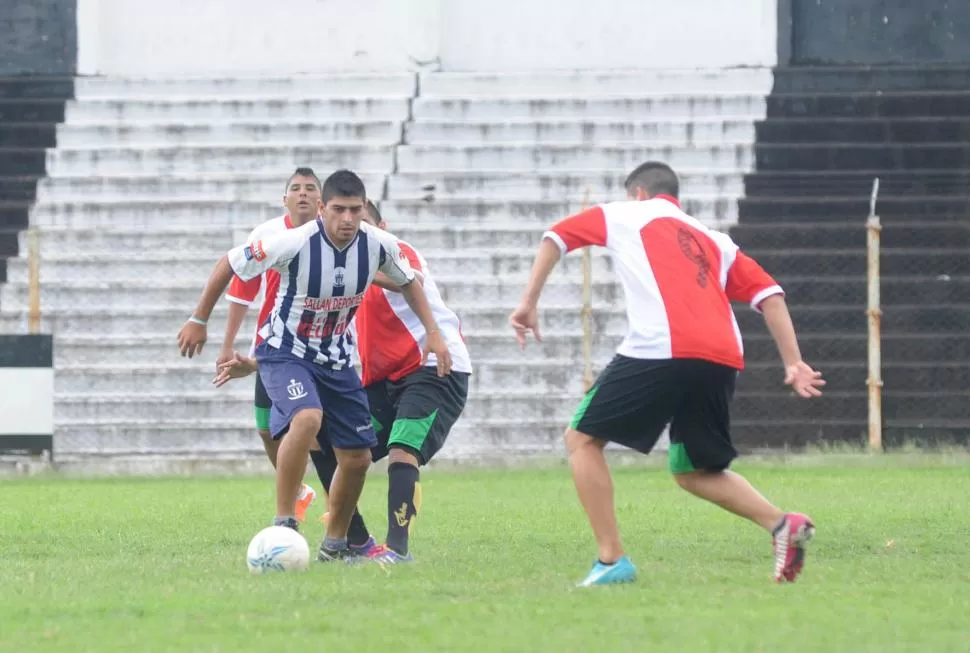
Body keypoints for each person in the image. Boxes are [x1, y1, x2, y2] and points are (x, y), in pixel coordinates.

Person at [508, 161, 824, 587]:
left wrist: (528, 302)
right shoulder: (715, 241)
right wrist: (794, 361)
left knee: (581, 439)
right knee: (693, 469)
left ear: (637, 192)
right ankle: (781, 524)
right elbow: (770, 294)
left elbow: (555, 236)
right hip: (722, 357)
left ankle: (611, 560)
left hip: (662, 347)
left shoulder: (624, 213)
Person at [177, 169, 452, 562]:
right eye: (338, 209)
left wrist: (434, 332)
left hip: (338, 361)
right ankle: (284, 523)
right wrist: (199, 319)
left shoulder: (376, 245)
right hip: (285, 352)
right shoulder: (293, 242)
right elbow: (230, 263)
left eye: (355, 210)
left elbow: (409, 281)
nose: (347, 219)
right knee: (307, 417)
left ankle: (336, 544)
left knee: (357, 457)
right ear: (322, 208)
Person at [217, 166, 322, 523]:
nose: (303, 193)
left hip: (318, 347)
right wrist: (227, 344)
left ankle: (337, 511)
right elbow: (242, 288)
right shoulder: (268, 234)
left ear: (322, 200)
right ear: (285, 198)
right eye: (296, 188)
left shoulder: (333, 234)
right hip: (273, 346)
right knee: (266, 428)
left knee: (313, 427)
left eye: (310, 188)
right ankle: (297, 491)